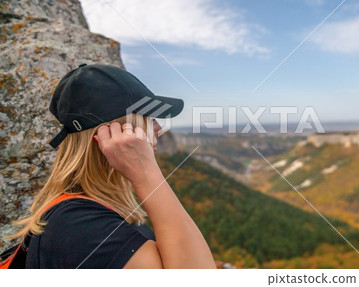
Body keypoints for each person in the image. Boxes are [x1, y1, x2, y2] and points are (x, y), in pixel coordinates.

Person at [7, 64, 216, 269]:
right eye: (147, 118)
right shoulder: (80, 227)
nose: (159, 127)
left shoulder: (98, 213)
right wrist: (147, 174)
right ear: (114, 134)